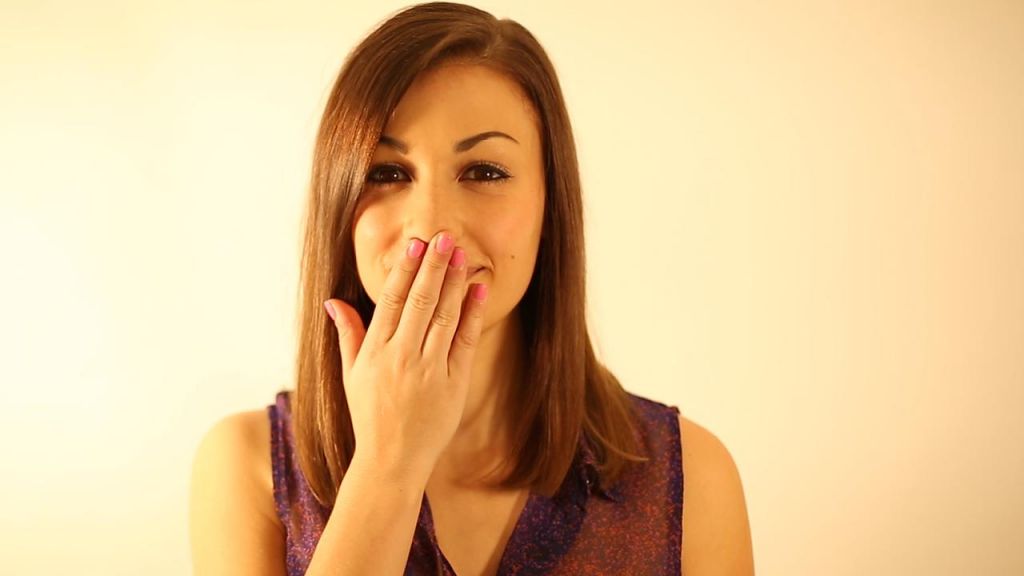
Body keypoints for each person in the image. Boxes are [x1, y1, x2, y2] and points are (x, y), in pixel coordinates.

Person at [189, 2, 753, 574]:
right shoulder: (247, 467)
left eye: (485, 172)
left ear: (550, 205)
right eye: (387, 173)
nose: (433, 225)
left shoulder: (691, 479)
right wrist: (389, 462)